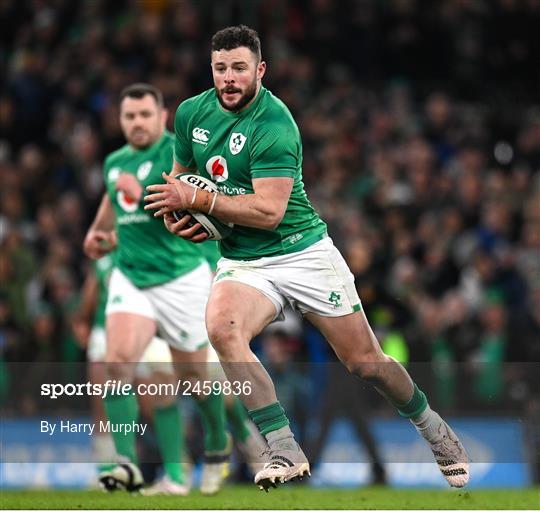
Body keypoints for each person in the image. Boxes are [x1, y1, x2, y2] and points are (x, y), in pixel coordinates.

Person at [144, 25, 469, 491]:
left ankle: (432, 427)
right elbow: (181, 184)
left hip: (302, 251)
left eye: (239, 68)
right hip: (245, 260)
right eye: (220, 69)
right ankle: (282, 445)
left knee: (364, 362)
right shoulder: (191, 113)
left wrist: (202, 204)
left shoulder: (275, 124)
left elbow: (269, 211)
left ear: (260, 70)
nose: (229, 78)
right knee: (221, 328)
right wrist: (176, 213)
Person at [83, 83, 231, 495]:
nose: (137, 123)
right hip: (132, 279)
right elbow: (113, 205)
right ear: (121, 120)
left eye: (145, 114)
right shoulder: (114, 162)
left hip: (180, 278)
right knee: (117, 364)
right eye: (129, 116)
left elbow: (203, 201)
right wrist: (98, 234)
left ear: (162, 116)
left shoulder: (177, 154)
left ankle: (218, 438)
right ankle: (125, 463)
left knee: (193, 379)